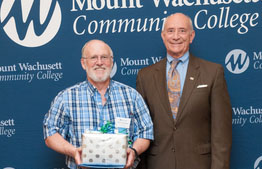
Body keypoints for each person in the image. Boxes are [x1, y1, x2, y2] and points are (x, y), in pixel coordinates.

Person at [136, 13, 232, 169]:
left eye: (182, 31)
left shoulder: (213, 72)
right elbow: (141, 129)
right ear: (163, 35)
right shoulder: (145, 76)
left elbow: (221, 132)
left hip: (199, 164)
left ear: (191, 35)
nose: (176, 36)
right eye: (171, 31)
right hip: (159, 164)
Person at [43, 39, 154, 169]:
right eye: (94, 58)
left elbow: (146, 131)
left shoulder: (131, 96)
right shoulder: (66, 98)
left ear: (111, 62)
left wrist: (134, 152)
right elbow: (50, 132)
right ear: (84, 63)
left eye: (104, 57)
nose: (100, 62)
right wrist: (73, 151)